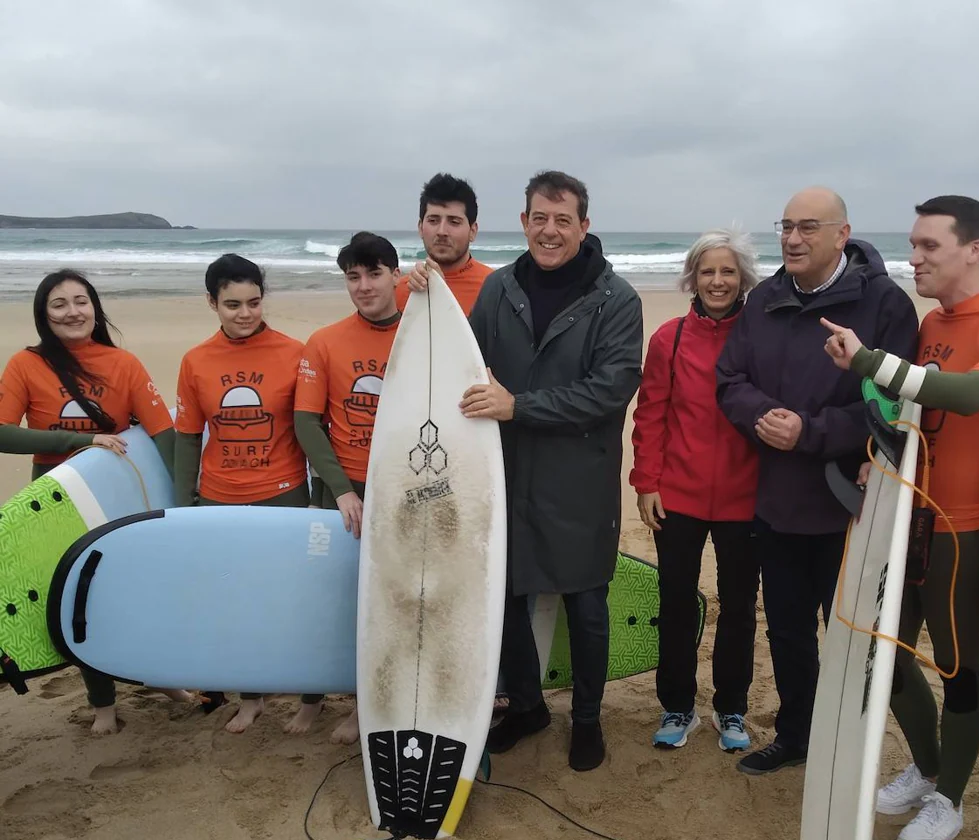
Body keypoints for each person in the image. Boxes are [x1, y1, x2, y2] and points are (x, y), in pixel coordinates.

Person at [822, 195, 979, 839]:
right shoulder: (931, 325)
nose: (913, 258)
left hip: (965, 527)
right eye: (912, 245)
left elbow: (972, 394)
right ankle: (927, 768)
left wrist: (869, 360)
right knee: (884, 657)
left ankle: (950, 798)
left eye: (928, 247)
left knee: (956, 666)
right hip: (905, 516)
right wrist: (877, 452)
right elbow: (906, 407)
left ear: (973, 250)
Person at [409, 170, 643, 771]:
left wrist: (521, 406)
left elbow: (608, 392)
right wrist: (416, 295)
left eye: (563, 219)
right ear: (524, 222)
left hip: (579, 482)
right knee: (506, 599)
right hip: (505, 475)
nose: (550, 230)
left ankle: (587, 719)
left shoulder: (617, 301)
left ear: (584, 226)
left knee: (586, 604)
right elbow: (466, 366)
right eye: (539, 217)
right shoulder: (501, 289)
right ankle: (530, 707)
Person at [715, 187, 919, 775]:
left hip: (849, 501)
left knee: (853, 634)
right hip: (777, 500)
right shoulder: (766, 300)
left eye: (808, 227)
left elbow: (896, 407)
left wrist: (810, 430)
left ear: (842, 234)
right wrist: (764, 418)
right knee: (787, 630)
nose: (793, 239)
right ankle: (796, 734)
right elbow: (730, 378)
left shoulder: (884, 305)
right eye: (786, 227)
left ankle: (849, 748)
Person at [0, 269, 187, 734]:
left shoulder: (123, 364)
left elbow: (163, 434)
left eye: (80, 301)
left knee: (130, 592)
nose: (72, 312)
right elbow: (2, 431)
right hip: (58, 498)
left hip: (116, 494)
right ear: (45, 315)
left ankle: (161, 678)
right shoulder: (27, 364)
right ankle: (103, 703)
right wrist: (74, 442)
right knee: (76, 596)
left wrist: (184, 502)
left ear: (95, 308)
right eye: (59, 304)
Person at [629, 228, 761, 752]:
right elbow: (651, 414)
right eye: (708, 271)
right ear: (693, 277)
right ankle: (677, 707)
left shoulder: (759, 334)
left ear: (743, 277)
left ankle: (731, 710)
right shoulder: (670, 338)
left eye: (728, 271)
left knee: (739, 608)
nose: (718, 280)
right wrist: (646, 483)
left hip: (744, 497)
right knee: (677, 602)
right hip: (677, 497)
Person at [173, 254, 310, 734]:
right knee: (235, 605)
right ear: (212, 302)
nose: (245, 313)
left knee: (293, 601)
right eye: (232, 304)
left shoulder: (295, 352)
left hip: (284, 494)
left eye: (253, 302)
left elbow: (313, 427)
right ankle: (250, 698)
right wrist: (180, 505)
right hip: (218, 499)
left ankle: (309, 696)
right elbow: (188, 437)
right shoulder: (196, 361)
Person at [293, 231, 403, 744]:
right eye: (353, 276)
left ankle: (376, 702)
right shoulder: (326, 341)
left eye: (374, 273)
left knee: (392, 602)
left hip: (406, 490)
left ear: (396, 275)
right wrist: (340, 489)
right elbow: (307, 422)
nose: (363, 286)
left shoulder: (422, 334)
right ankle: (336, 700)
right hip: (347, 490)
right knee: (337, 600)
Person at [395, 173, 492, 316]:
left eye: (454, 222)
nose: (442, 231)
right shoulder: (401, 291)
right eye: (433, 220)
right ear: (421, 227)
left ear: (472, 231)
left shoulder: (494, 289)